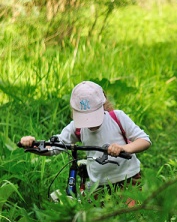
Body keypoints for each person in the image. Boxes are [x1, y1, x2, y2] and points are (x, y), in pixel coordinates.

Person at [20, 81, 151, 206]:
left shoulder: (117, 118)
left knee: (130, 217)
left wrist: (124, 148)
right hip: (99, 185)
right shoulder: (76, 128)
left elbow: (144, 140)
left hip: (127, 179)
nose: (90, 124)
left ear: (103, 104)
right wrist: (32, 145)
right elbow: (55, 146)